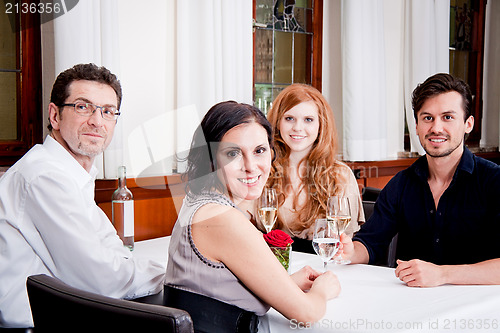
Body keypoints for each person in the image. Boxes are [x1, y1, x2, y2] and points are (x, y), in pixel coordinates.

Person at [0, 64, 165, 329]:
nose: (97, 121)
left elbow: (113, 249)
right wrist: (168, 273)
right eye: (82, 107)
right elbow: (102, 280)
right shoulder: (44, 176)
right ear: (55, 116)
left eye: (108, 111)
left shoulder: (72, 174)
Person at [165, 101, 339, 332]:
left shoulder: (197, 202)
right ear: (210, 159)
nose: (251, 166)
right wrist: (323, 289)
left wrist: (288, 283)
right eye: (233, 153)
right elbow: (307, 313)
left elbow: (217, 290)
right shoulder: (222, 219)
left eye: (259, 150)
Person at [342, 73, 500, 287]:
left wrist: (443, 274)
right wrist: (349, 251)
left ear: (468, 124)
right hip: (414, 306)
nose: (436, 128)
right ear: (416, 126)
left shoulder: (494, 181)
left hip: (480, 309)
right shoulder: (401, 184)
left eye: (448, 117)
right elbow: (370, 243)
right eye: (427, 118)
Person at [265, 83, 364, 253]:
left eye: (308, 120)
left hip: (322, 266)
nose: (297, 127)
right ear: (278, 122)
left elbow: (345, 242)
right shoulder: (263, 169)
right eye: (289, 118)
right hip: (272, 265)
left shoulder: (340, 175)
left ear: (320, 126)